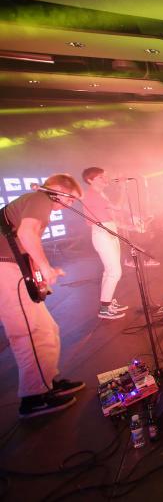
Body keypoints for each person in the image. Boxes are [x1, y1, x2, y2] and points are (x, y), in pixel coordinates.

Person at [0, 174, 86, 418]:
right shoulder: (41, 198)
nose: (69, 206)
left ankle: (46, 382)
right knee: (28, 333)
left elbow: (22, 242)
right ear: (58, 189)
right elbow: (28, 234)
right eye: (70, 200)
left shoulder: (34, 200)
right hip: (5, 270)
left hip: (12, 267)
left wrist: (41, 269)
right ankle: (34, 398)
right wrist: (46, 268)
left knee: (47, 329)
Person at [80, 167, 130, 319]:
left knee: (109, 272)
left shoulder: (101, 194)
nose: (105, 179)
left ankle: (107, 303)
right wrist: (123, 188)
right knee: (115, 272)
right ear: (90, 180)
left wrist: (128, 226)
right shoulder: (91, 194)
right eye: (101, 177)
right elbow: (118, 208)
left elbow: (111, 216)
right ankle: (104, 309)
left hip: (108, 230)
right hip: (102, 233)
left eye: (104, 176)